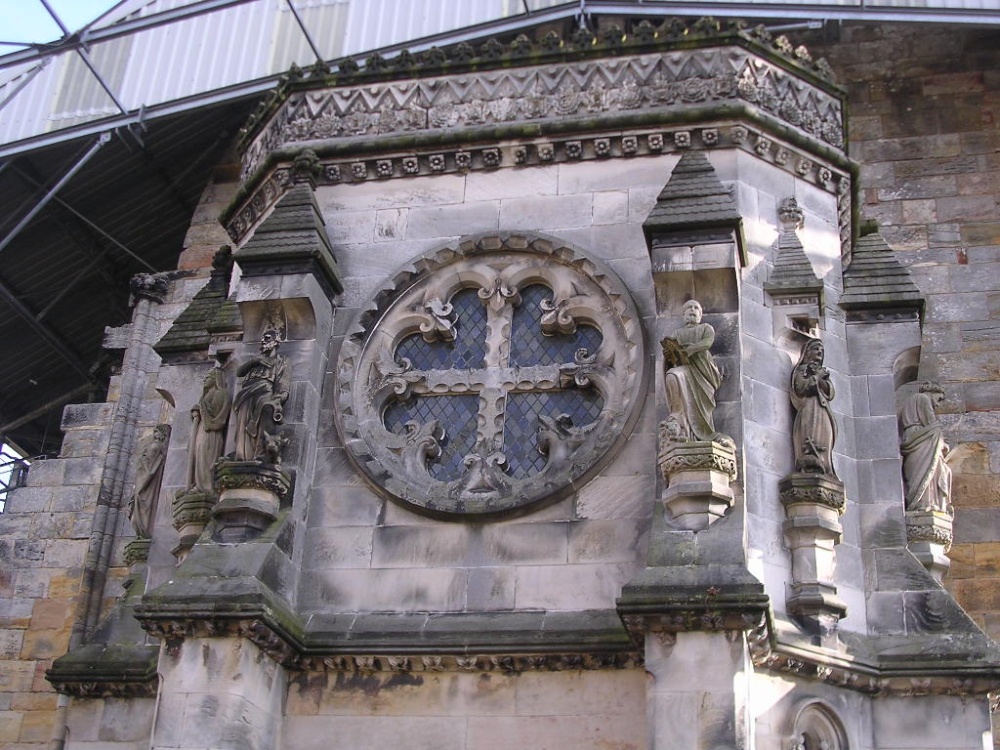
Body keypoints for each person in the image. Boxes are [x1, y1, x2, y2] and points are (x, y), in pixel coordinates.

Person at [662, 299, 728, 443]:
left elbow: (707, 342)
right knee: (672, 375)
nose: (692, 310)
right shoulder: (677, 333)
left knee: (703, 404)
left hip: (703, 371)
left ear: (700, 315)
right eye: (689, 308)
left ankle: (703, 431)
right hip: (685, 368)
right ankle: (679, 416)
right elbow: (672, 355)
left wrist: (690, 349)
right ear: (684, 314)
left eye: (696, 308)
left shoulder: (705, 328)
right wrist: (668, 354)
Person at [232, 325, 290, 462]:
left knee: (267, 408)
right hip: (246, 394)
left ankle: (262, 452)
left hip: (265, 392)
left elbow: (284, 384)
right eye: (263, 338)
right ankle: (242, 456)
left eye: (267, 338)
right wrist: (254, 361)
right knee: (243, 424)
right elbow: (239, 372)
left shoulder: (281, 361)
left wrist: (279, 397)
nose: (263, 341)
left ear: (276, 342)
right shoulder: (256, 360)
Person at [899, 382, 952, 513]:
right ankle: (926, 503)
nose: (937, 405)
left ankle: (921, 502)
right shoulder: (923, 398)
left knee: (920, 471)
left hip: (911, 435)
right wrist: (943, 443)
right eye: (938, 399)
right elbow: (931, 423)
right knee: (927, 469)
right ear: (932, 392)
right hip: (923, 437)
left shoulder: (911, 401)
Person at [790, 338, 837, 476]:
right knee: (811, 435)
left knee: (825, 438)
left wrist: (821, 379)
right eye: (816, 349)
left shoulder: (822, 373)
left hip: (823, 410)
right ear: (808, 352)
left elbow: (830, 392)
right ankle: (810, 463)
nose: (820, 352)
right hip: (809, 408)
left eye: (822, 350)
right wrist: (817, 377)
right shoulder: (801, 370)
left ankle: (824, 464)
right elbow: (801, 387)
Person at [185, 367, 230, 494]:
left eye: (209, 377)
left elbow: (217, 415)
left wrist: (201, 408)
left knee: (206, 459)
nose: (205, 379)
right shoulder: (205, 395)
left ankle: (206, 486)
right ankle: (198, 484)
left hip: (211, 432)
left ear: (216, 379)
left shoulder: (221, 393)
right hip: (202, 429)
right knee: (198, 456)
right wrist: (196, 413)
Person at [128, 424, 170, 539]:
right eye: (154, 434)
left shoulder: (156, 447)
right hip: (143, 479)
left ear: (163, 436)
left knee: (142, 504)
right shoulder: (154, 447)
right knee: (137, 510)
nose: (155, 436)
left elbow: (151, 467)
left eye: (158, 433)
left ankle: (144, 530)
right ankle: (142, 531)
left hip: (147, 481)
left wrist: (145, 461)